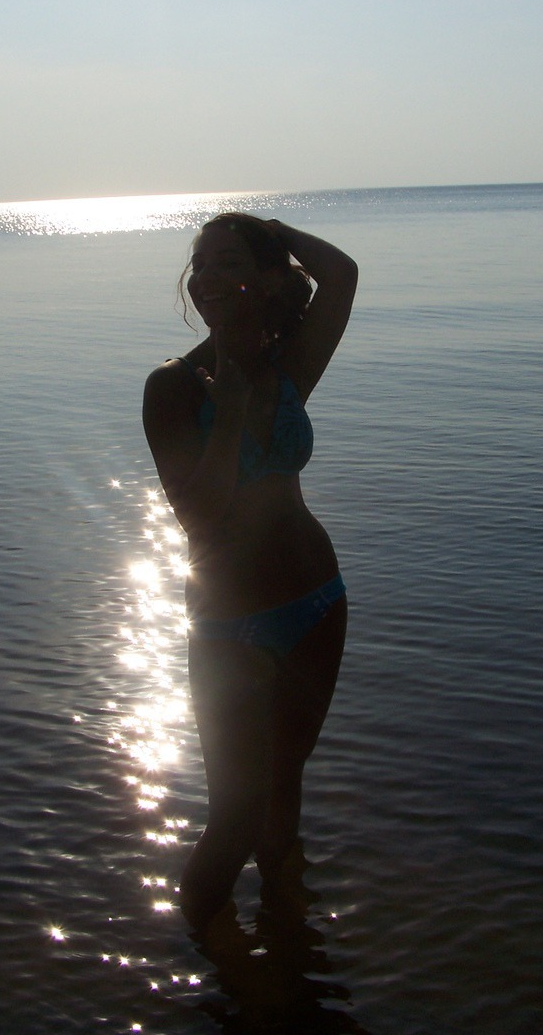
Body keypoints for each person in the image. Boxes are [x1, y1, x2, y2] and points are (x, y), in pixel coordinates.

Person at [142, 212, 358, 929]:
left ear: (266, 282)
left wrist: (275, 232)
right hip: (232, 623)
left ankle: (289, 938)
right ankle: (207, 960)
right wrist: (231, 413)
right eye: (198, 263)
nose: (204, 277)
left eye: (226, 262)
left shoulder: (287, 367)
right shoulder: (173, 387)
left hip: (319, 600)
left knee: (286, 780)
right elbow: (200, 520)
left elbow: (342, 275)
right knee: (232, 817)